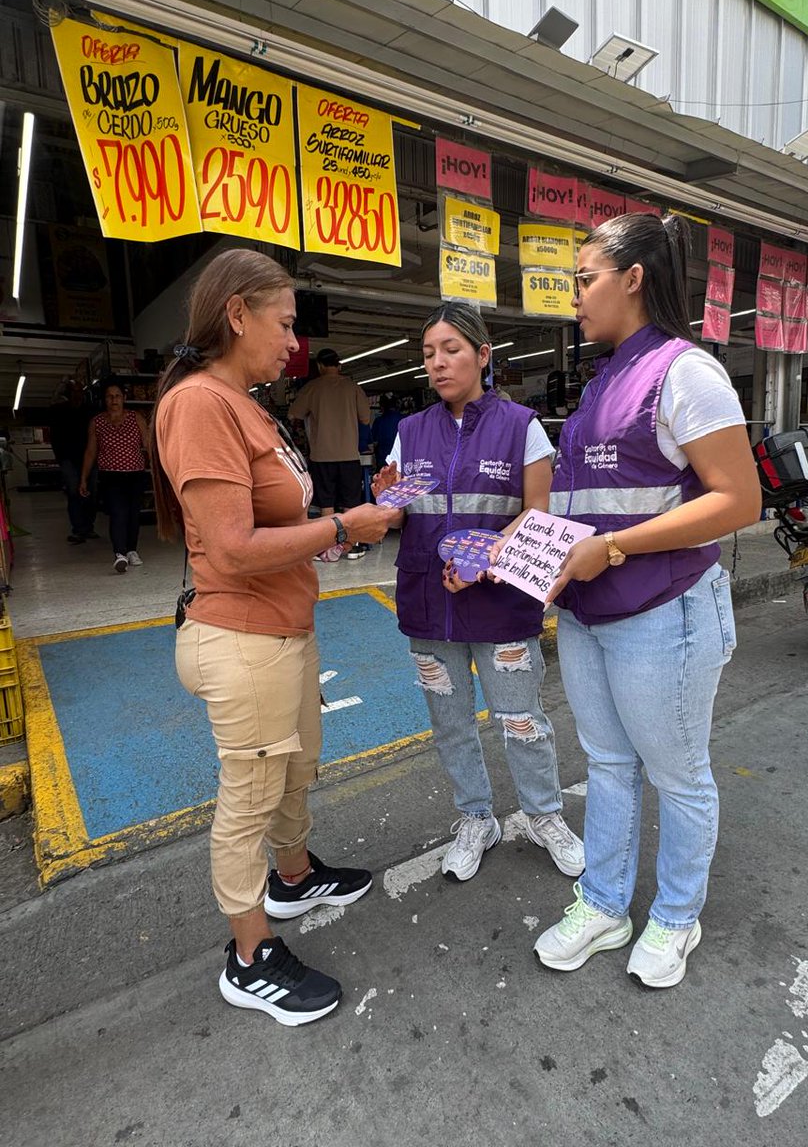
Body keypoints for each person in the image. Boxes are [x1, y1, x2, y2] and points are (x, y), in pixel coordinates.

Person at [150, 249, 394, 1025]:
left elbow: (275, 524)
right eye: (285, 324)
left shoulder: (251, 404)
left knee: (295, 770)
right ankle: (250, 955)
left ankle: (292, 878)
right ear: (236, 314)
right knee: (250, 798)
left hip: (285, 628)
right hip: (241, 635)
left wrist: (337, 534)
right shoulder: (199, 405)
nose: (293, 344)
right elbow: (229, 549)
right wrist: (340, 522)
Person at [532, 214, 760, 988]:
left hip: (664, 610)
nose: (575, 299)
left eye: (584, 279)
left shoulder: (684, 372)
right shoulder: (601, 382)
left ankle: (674, 916)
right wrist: (525, 552)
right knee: (606, 764)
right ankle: (603, 903)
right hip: (592, 614)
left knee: (677, 771)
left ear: (633, 278)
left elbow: (738, 500)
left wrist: (616, 548)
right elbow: (585, 505)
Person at [373, 303, 584, 884]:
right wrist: (382, 497)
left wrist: (485, 557)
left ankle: (544, 815)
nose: (437, 363)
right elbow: (393, 518)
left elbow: (537, 513)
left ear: (483, 355)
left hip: (500, 602)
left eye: (451, 350)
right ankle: (476, 818)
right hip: (428, 604)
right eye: (428, 353)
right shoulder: (409, 432)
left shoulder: (522, 426)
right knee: (450, 723)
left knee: (520, 718)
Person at [288, 347, 370, 560]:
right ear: (339, 364)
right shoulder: (353, 387)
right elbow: (366, 418)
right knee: (351, 503)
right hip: (349, 455)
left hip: (322, 456)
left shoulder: (312, 388)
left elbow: (293, 413)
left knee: (327, 503)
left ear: (320, 366)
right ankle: (353, 547)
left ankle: (327, 548)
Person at [80, 377, 149, 572]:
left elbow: (148, 444)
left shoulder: (136, 418)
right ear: (105, 400)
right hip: (110, 476)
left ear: (124, 398)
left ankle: (132, 550)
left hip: (135, 474)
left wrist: (161, 470)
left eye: (117, 396)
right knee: (118, 513)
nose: (114, 400)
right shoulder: (97, 422)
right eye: (110, 397)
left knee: (133, 514)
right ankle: (120, 552)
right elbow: (91, 451)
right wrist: (84, 478)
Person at [49, 379, 97, 544]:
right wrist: (61, 459)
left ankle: (88, 526)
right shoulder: (58, 412)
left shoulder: (89, 411)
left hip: (90, 457)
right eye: (74, 392)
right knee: (74, 491)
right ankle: (79, 529)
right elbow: (54, 437)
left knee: (91, 492)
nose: (78, 395)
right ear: (68, 394)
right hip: (69, 458)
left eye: (80, 392)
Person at [370, 393, 403, 471]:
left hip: (383, 463)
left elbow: (374, 443)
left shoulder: (379, 421)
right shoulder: (405, 420)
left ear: (382, 406)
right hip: (403, 461)